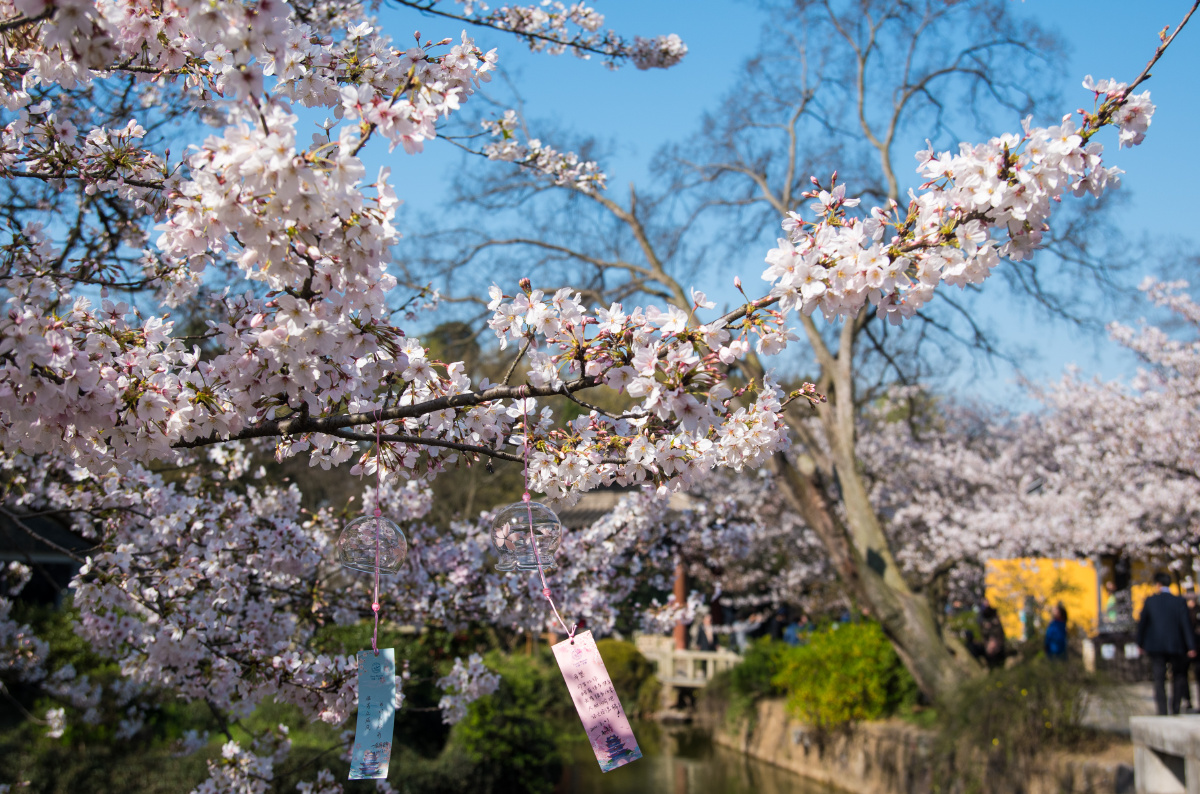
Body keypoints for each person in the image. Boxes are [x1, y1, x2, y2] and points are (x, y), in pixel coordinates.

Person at [1137, 572, 1197, 716]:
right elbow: (1186, 625)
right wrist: (1191, 646)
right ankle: (1175, 708)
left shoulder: (1150, 601)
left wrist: (1140, 643)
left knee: (1159, 678)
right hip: (1176, 645)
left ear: (1158, 584)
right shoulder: (1179, 601)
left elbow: (1142, 624)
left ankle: (1162, 710)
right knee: (1178, 675)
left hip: (1155, 645)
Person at [978, 598, 1007, 670]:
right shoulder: (982, 617)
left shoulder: (993, 614)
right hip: (992, 638)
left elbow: (999, 631)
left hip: (996, 639)